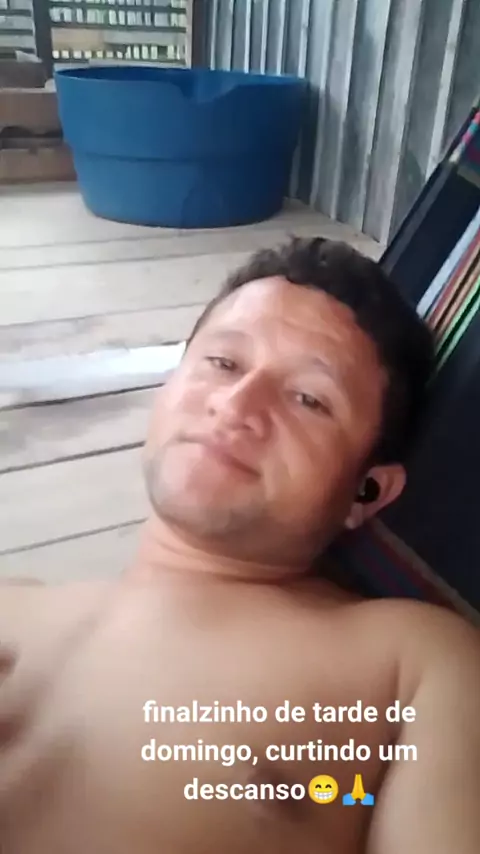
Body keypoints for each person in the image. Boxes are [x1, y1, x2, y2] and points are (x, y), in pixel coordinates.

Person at [1, 237, 479, 854]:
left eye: (309, 398)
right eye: (223, 363)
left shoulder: (410, 666)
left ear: (366, 492)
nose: (236, 405)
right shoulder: (14, 606)